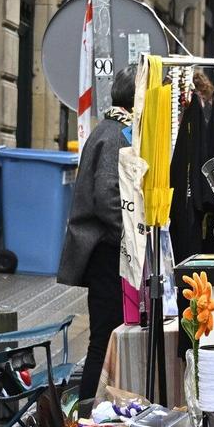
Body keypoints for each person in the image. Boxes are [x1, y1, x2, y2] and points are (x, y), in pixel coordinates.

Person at [60, 73, 137, 404]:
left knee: (102, 336)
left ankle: (90, 410)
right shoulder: (116, 135)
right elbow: (107, 197)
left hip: (102, 250)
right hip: (106, 252)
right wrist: (132, 234)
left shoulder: (107, 129)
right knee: (103, 338)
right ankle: (88, 413)